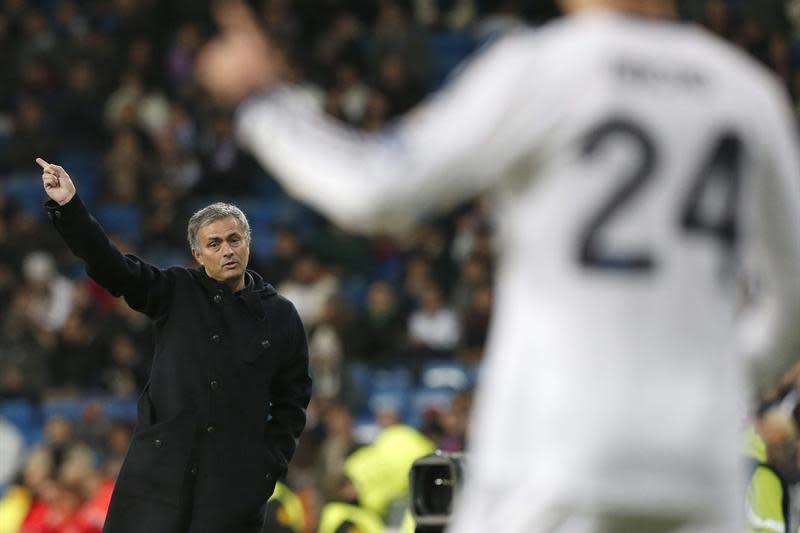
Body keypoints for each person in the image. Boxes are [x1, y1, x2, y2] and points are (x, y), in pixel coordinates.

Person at [196, 0, 800, 531]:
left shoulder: (545, 71)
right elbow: (790, 301)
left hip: (558, 452)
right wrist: (713, 380)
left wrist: (262, 105)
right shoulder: (745, 93)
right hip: (697, 458)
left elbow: (375, 192)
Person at [37, 157, 312, 533]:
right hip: (156, 480)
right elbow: (111, 267)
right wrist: (70, 207)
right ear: (198, 256)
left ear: (247, 242)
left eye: (234, 239)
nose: (227, 250)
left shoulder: (281, 316)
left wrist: (265, 471)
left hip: (230, 491)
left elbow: (292, 403)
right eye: (214, 244)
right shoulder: (175, 290)